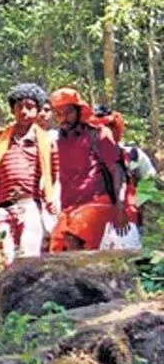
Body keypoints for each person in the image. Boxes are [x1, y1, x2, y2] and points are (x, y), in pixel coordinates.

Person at [0, 84, 58, 265]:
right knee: (7, 259)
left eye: (30, 107)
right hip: (4, 208)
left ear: (38, 110)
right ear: (12, 110)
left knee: (28, 257)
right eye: (19, 107)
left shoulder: (46, 142)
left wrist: (49, 199)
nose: (24, 111)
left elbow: (53, 176)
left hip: (29, 207)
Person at [48, 87, 128, 251]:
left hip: (97, 203)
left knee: (75, 239)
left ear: (79, 111)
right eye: (58, 114)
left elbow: (117, 169)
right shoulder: (58, 140)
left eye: (68, 112)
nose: (63, 118)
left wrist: (120, 207)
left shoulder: (98, 134)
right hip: (70, 208)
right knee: (56, 247)